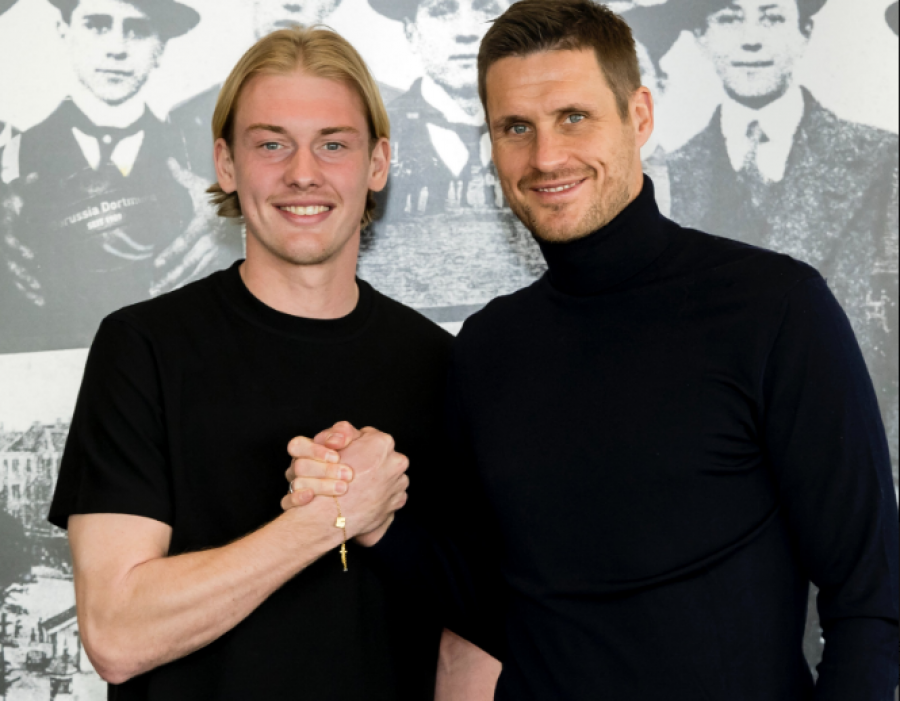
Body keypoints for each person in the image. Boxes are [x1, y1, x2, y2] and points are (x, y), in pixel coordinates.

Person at [293, 1, 899, 698]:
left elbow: (871, 597)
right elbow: (488, 603)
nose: (546, 157)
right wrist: (370, 515)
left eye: (574, 117)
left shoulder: (774, 308)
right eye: (516, 127)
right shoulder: (488, 346)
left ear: (639, 116)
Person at [47, 25, 488, 701]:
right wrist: (328, 517)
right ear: (226, 163)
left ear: (378, 163)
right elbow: (116, 634)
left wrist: (371, 519)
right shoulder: (143, 347)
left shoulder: (443, 364)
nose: (303, 172)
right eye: (271, 144)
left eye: (333, 144)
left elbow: (470, 635)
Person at [664, 0, 899, 481]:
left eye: (772, 18)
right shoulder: (666, 178)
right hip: (713, 484)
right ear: (701, 38)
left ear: (805, 33)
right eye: (729, 18)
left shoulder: (883, 161)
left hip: (852, 471)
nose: (751, 39)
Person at [0, 0, 241, 354]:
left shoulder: (202, 155)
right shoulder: (14, 156)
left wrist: (235, 237)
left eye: (138, 30)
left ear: (161, 47)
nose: (116, 49)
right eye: (97, 25)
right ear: (63, 32)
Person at [358, 0, 546, 329]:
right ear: (411, 32)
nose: (465, 31)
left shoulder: (552, 136)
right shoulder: (369, 135)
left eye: (484, 7)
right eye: (442, 10)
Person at [169, 0, 355, 183]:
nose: (292, 3)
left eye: (333, 146)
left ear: (333, 4)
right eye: (270, 145)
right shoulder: (188, 120)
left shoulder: (367, 110)